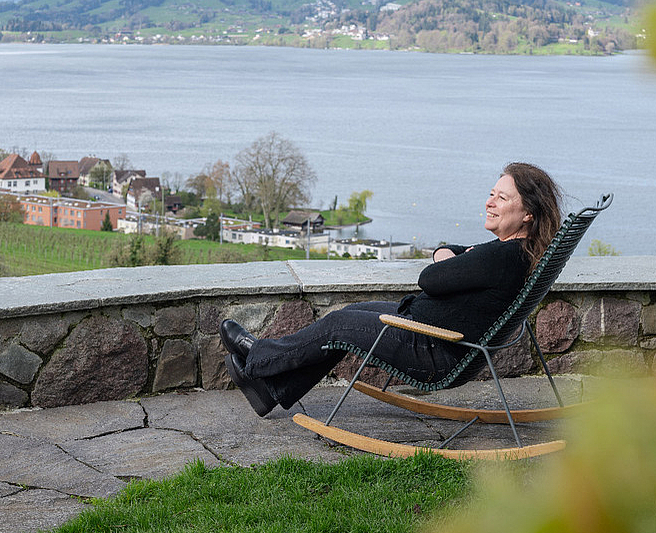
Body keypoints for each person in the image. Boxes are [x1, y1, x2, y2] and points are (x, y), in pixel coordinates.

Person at [220, 162, 563, 416]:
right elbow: (454, 254)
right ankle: (271, 390)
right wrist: (453, 256)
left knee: (338, 326)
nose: (490, 202)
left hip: (431, 349)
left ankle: (257, 359)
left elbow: (429, 278)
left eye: (501, 198)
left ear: (528, 213)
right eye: (491, 194)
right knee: (349, 316)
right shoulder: (519, 252)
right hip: (426, 330)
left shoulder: (499, 257)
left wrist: (446, 257)